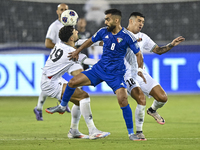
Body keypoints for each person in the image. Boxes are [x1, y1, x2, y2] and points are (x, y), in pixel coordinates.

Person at [46, 9, 146, 141]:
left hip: (116, 74)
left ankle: (131, 133)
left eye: (107, 19)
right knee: (72, 82)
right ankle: (62, 106)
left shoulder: (128, 36)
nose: (105, 22)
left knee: (123, 100)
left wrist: (139, 69)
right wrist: (77, 51)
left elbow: (138, 54)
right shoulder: (102, 31)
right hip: (99, 69)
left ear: (116, 20)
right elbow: (89, 41)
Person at [36, 25, 110, 139]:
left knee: (79, 101)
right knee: (84, 97)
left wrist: (102, 42)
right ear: (71, 38)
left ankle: (74, 131)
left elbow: (82, 41)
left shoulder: (62, 43)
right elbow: (87, 60)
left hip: (52, 79)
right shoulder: (70, 52)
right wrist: (107, 63)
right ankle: (93, 131)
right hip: (51, 83)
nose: (77, 32)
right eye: (75, 32)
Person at [124, 12, 185, 138]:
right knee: (141, 98)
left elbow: (158, 50)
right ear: (131, 21)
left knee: (163, 97)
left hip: (142, 73)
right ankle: (139, 133)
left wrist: (171, 44)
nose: (141, 24)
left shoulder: (143, 37)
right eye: (139, 21)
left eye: (143, 22)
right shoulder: (119, 35)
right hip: (127, 75)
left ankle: (152, 110)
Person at [34, 3, 70, 119]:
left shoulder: (70, 26)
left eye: (66, 9)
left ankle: (63, 102)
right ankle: (40, 107)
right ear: (57, 11)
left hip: (67, 58)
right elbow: (47, 43)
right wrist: (60, 48)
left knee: (56, 82)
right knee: (50, 82)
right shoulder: (54, 26)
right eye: (61, 9)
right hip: (56, 60)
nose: (63, 11)